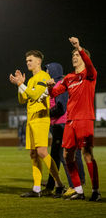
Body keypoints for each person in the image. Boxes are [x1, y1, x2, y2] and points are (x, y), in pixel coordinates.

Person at [47, 37, 101, 201]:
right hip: (70, 121)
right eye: (73, 56)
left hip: (84, 119)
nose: (75, 57)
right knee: (67, 155)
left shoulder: (89, 75)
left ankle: (95, 191)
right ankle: (78, 190)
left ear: (84, 57)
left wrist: (79, 47)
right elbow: (54, 94)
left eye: (77, 55)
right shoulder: (69, 77)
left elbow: (90, 65)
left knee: (87, 154)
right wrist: (50, 87)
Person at [9, 50, 64, 198]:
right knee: (33, 154)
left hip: (41, 118)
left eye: (30, 60)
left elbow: (34, 95)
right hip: (31, 119)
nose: (28, 63)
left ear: (39, 62)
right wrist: (20, 85)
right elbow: (23, 99)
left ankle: (59, 183)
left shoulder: (44, 76)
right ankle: (37, 188)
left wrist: (21, 83)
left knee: (41, 152)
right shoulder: (32, 79)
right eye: (27, 60)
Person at [40, 63, 85, 197]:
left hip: (62, 124)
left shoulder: (61, 84)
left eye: (48, 70)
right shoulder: (53, 85)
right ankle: (53, 186)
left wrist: (46, 113)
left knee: (63, 156)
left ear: (54, 71)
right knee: (55, 156)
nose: (47, 73)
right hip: (56, 125)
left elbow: (61, 108)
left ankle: (74, 186)